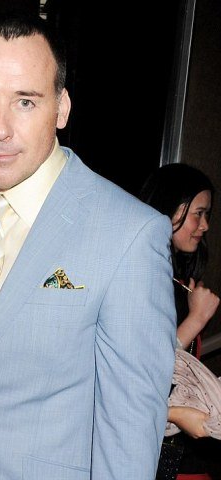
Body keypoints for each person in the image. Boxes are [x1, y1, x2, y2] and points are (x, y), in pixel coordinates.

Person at [0, 12, 176, 479]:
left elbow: (130, 431)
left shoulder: (130, 233)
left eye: (25, 102)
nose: (0, 128)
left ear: (62, 108)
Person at [139, 163, 219, 480]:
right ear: (168, 208)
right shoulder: (143, 275)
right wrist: (197, 319)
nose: (205, 225)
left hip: (178, 450)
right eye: (198, 214)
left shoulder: (178, 278)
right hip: (153, 448)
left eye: (207, 214)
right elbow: (145, 366)